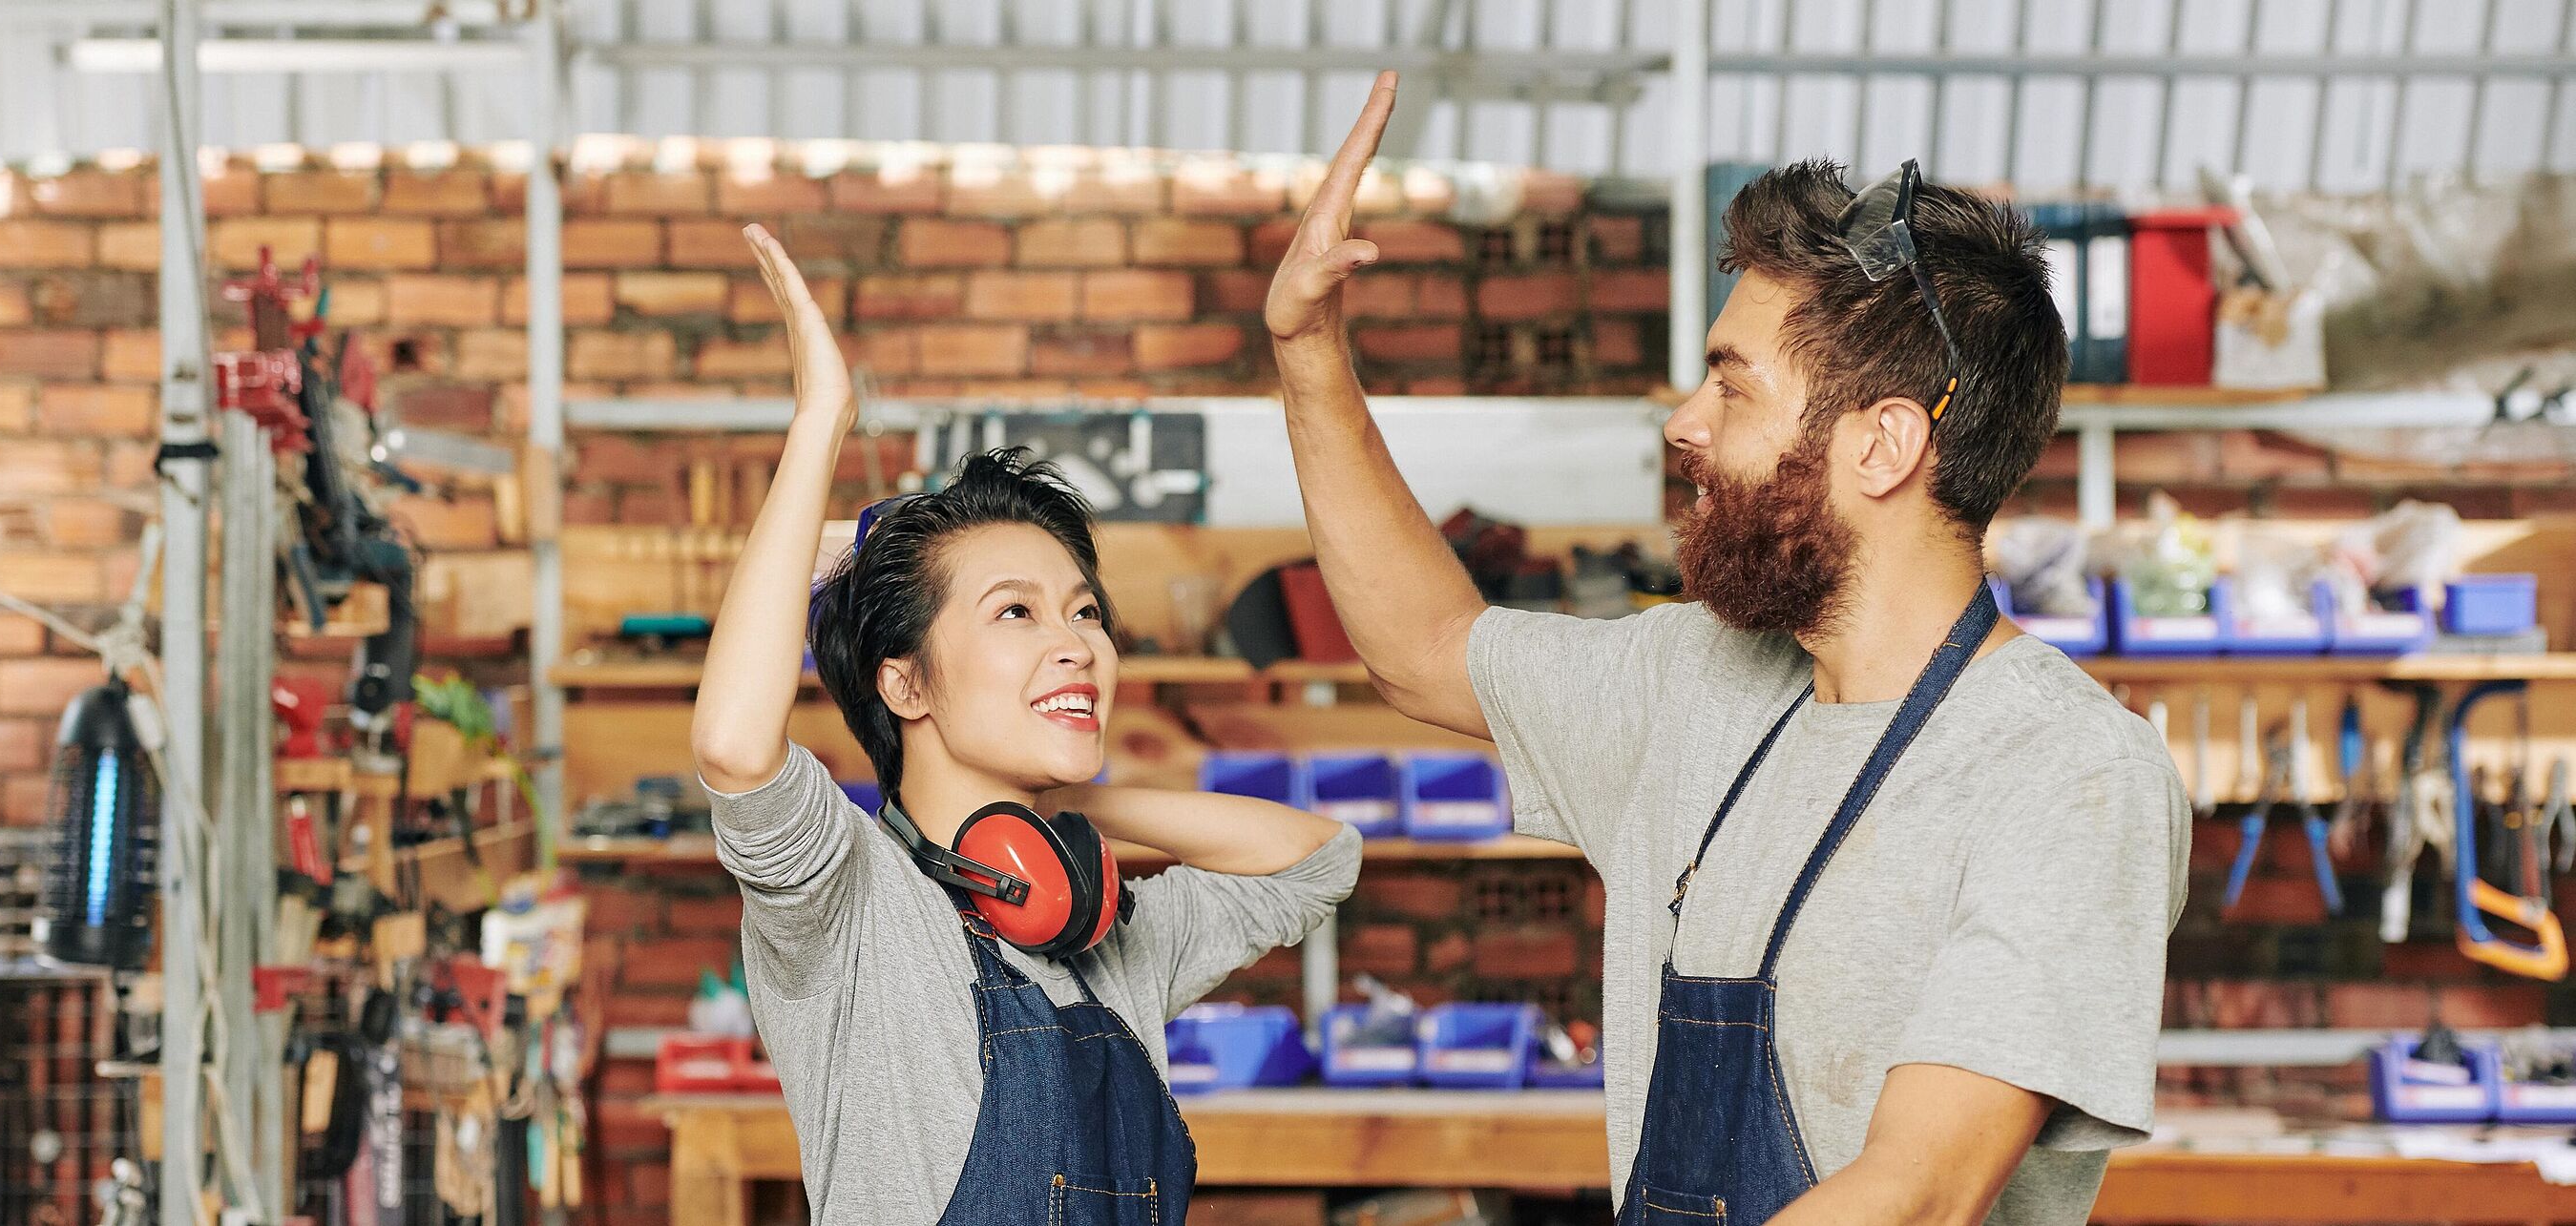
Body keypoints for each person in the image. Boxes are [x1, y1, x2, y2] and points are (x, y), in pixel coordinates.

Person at [1264, 74, 2186, 1226]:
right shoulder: (1694, 682)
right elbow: (1427, 646)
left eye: (1731, 386)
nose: (1681, 424)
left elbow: (1919, 1191)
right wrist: (1307, 354)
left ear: (1885, 444)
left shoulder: (2069, 773)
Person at [691, 225, 1362, 1224]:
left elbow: (1319, 857)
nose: (1078, 644)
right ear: (906, 685)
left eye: (1086, 612)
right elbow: (736, 747)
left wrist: (1065, 806)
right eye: (1017, 610)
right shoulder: (852, 907)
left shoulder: (1108, 936)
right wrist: (822, 417)